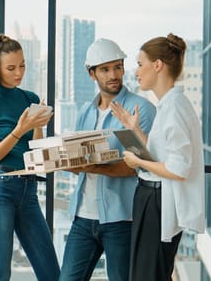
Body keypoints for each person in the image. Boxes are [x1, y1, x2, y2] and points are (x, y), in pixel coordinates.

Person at [59, 38, 156, 281]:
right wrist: (66, 163)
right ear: (92, 74)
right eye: (105, 69)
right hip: (82, 218)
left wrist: (94, 167)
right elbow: (78, 164)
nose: (113, 74)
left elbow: (140, 167)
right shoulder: (85, 111)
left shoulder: (140, 109)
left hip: (122, 219)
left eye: (117, 67)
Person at [110, 34, 205, 281]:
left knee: (148, 275)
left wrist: (137, 162)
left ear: (158, 65)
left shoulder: (174, 107)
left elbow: (177, 169)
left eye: (141, 64)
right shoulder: (169, 105)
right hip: (152, 199)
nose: (136, 71)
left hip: (157, 201)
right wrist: (136, 131)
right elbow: (163, 156)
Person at [0, 33, 59, 281]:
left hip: (28, 190)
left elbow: (35, 151)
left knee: (51, 273)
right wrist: (18, 130)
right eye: (11, 68)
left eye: (22, 65)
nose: (18, 72)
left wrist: (40, 123)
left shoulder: (29, 98)